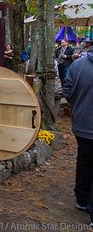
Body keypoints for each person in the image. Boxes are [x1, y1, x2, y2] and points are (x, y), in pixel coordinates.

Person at [63, 42, 93, 228]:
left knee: (84, 160)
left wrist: (78, 106)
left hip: (81, 124)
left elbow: (67, 91)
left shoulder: (76, 65)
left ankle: (82, 199)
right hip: (83, 123)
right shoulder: (77, 64)